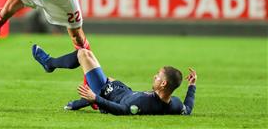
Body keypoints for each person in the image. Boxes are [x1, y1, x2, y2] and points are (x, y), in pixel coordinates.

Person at [32, 45, 197, 116]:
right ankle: (80, 103)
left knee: (84, 54)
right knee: (109, 78)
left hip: (108, 94)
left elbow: (121, 110)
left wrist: (96, 98)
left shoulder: (143, 104)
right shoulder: (173, 103)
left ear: (163, 84)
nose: (154, 76)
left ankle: (49, 63)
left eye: (158, 75)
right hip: (123, 89)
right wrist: (192, 86)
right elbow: (187, 108)